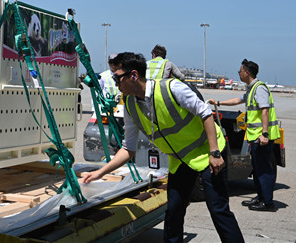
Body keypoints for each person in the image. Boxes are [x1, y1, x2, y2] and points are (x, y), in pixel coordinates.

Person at [82, 52, 243, 243]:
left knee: (218, 209)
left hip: (207, 151)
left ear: (133, 75)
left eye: (117, 78)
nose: (115, 83)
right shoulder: (130, 105)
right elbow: (128, 149)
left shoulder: (171, 88)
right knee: (174, 209)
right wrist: (100, 173)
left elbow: (205, 113)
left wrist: (215, 152)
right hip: (181, 160)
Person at [209, 59, 280, 212]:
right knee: (257, 168)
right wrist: (218, 102)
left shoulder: (259, 88)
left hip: (261, 137)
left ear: (246, 73)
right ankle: (261, 197)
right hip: (254, 136)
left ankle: (268, 202)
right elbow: (238, 100)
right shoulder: (251, 88)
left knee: (264, 170)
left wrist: (264, 134)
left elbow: (265, 111)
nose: (239, 74)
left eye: (240, 71)